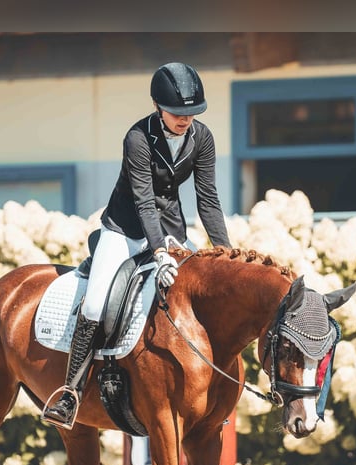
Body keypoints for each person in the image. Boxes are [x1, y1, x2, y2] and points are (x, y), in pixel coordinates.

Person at [42, 62, 232, 429]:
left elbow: (208, 200)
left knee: (203, 297)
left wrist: (226, 254)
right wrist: (160, 252)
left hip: (171, 228)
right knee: (96, 303)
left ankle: (212, 398)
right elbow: (144, 201)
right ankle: (71, 393)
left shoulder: (202, 137)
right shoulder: (137, 138)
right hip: (124, 229)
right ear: (158, 106)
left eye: (191, 113)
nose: (185, 119)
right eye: (178, 113)